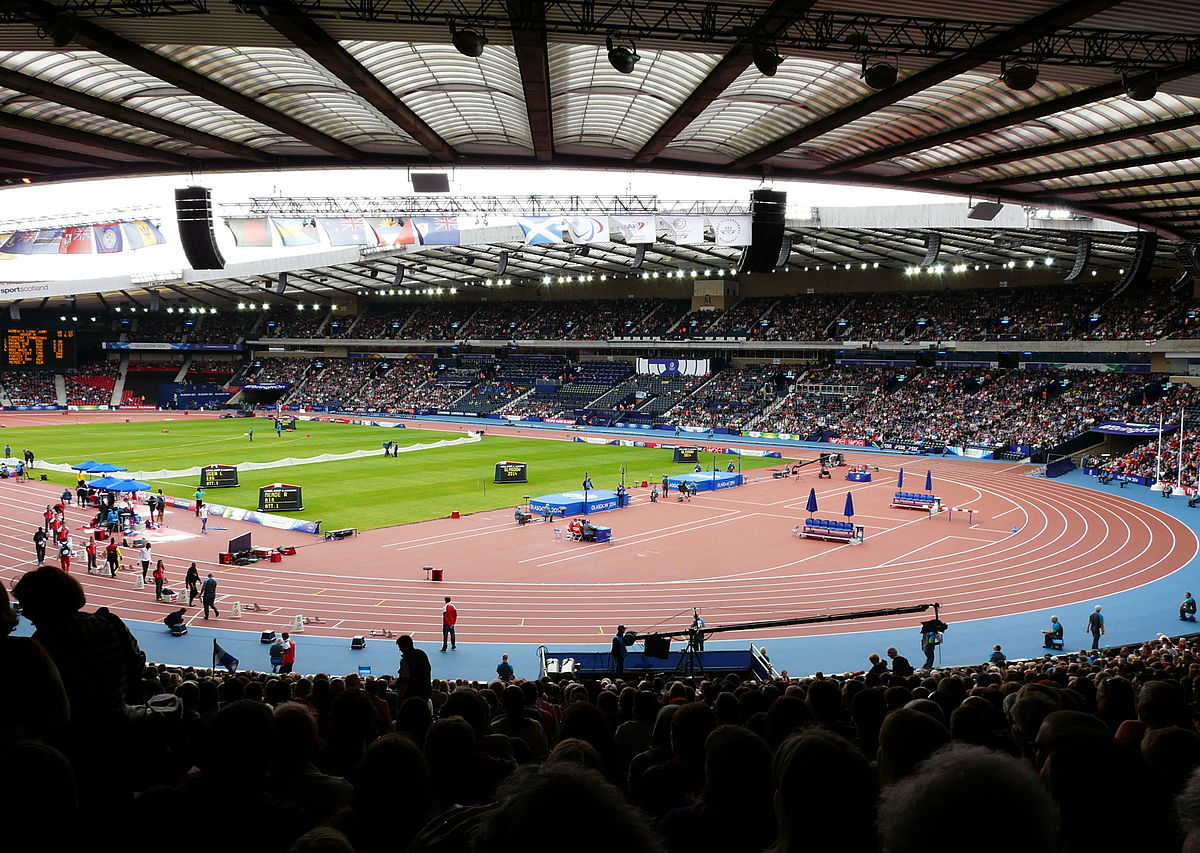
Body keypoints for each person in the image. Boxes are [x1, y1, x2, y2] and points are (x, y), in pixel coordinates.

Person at [395, 634, 432, 702]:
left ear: (405, 647)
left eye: (400, 647)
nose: (400, 649)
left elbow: (405, 680)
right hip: (425, 692)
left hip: (411, 694)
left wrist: (400, 696)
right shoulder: (422, 654)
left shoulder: (405, 660)